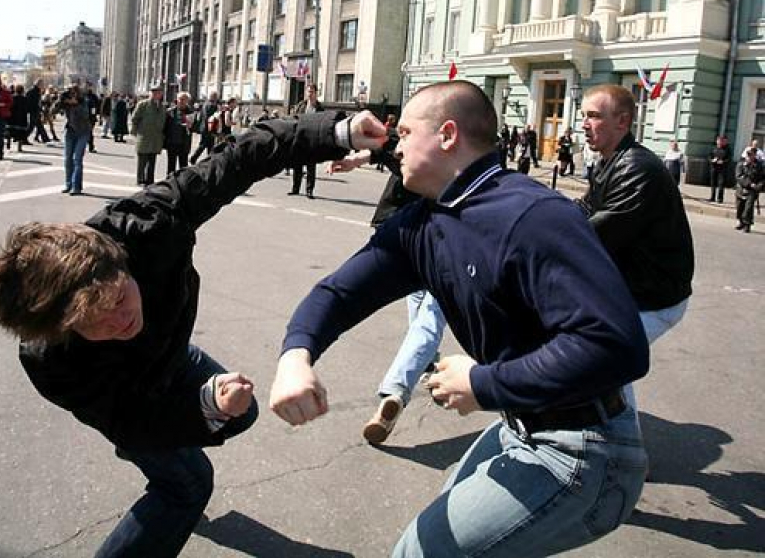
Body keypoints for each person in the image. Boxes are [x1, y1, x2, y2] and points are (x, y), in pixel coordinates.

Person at [0, 109, 385, 558]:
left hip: (172, 353)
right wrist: (204, 405)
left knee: (242, 415)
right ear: (63, 327)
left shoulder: (149, 224)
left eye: (118, 298)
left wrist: (338, 132)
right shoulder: (50, 359)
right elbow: (131, 422)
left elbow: (240, 158)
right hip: (130, 395)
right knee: (189, 485)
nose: (121, 320)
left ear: (120, 260)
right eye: (97, 322)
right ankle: (168, 488)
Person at [270, 80, 649, 558]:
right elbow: (339, 293)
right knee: (453, 506)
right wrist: (295, 356)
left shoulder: (533, 215)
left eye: (406, 132)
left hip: (585, 450)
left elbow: (617, 345)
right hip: (522, 430)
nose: (396, 143)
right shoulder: (425, 222)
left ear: (447, 135)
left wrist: (483, 383)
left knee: (418, 552)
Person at [576, 84, 694, 409]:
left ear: (623, 122)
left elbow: (592, 236)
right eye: (584, 115)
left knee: (601, 369)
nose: (584, 123)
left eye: (595, 116)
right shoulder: (610, 161)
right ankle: (618, 448)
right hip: (629, 294)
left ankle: (621, 454)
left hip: (651, 300)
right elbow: (584, 210)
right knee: (607, 374)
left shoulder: (636, 168)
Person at [328, 138, 446, 445]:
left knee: (422, 304)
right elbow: (396, 151)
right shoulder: (459, 154)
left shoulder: (428, 145)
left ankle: (413, 374)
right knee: (429, 312)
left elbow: (393, 151)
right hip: (431, 235)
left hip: (402, 229)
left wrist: (356, 160)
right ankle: (409, 378)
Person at [290, 84, 324, 198]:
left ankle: (309, 190)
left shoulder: (319, 108)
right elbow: (294, 118)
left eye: (312, 92)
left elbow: (322, 123)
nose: (310, 94)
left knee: (311, 167)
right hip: (300, 138)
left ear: (316, 93)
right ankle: (295, 188)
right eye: (308, 92)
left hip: (312, 140)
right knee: (297, 165)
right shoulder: (301, 105)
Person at [56, 86, 91, 195]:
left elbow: (85, 115)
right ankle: (68, 184)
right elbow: (54, 110)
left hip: (83, 132)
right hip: (70, 131)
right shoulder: (66, 101)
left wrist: (75, 104)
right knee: (68, 159)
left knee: (77, 159)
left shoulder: (83, 101)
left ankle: (76, 187)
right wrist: (60, 100)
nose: (72, 95)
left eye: (74, 93)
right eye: (70, 93)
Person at [131, 83, 168, 186]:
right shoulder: (143, 104)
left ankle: (149, 180)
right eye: (155, 92)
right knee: (142, 160)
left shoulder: (162, 107)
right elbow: (135, 119)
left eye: (159, 92)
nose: (157, 94)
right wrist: (135, 132)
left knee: (152, 160)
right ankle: (140, 179)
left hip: (156, 138)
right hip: (144, 136)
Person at [735, 147, 764, 232]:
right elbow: (738, 176)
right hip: (741, 189)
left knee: (748, 207)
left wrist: (759, 186)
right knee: (740, 207)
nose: (750, 157)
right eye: (749, 155)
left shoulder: (759, 165)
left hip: (752, 190)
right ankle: (741, 221)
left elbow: (763, 178)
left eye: (752, 155)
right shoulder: (741, 164)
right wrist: (748, 184)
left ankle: (747, 224)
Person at [164, 92, 194, 175]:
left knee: (183, 166)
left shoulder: (191, 112)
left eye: (184, 99)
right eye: (180, 99)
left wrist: (191, 126)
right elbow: (165, 127)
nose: (181, 101)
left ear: (187, 101)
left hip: (184, 143)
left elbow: (196, 127)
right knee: (171, 165)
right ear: (177, 100)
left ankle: (183, 183)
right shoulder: (170, 112)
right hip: (172, 142)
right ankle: (170, 182)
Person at [708, 135, 732, 203]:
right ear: (716, 141)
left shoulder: (727, 149)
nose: (719, 142)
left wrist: (723, 161)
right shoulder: (713, 148)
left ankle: (720, 198)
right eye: (718, 141)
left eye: (721, 141)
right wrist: (712, 160)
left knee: (721, 184)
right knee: (713, 183)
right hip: (714, 167)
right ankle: (712, 197)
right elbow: (709, 156)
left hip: (722, 169)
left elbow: (729, 159)